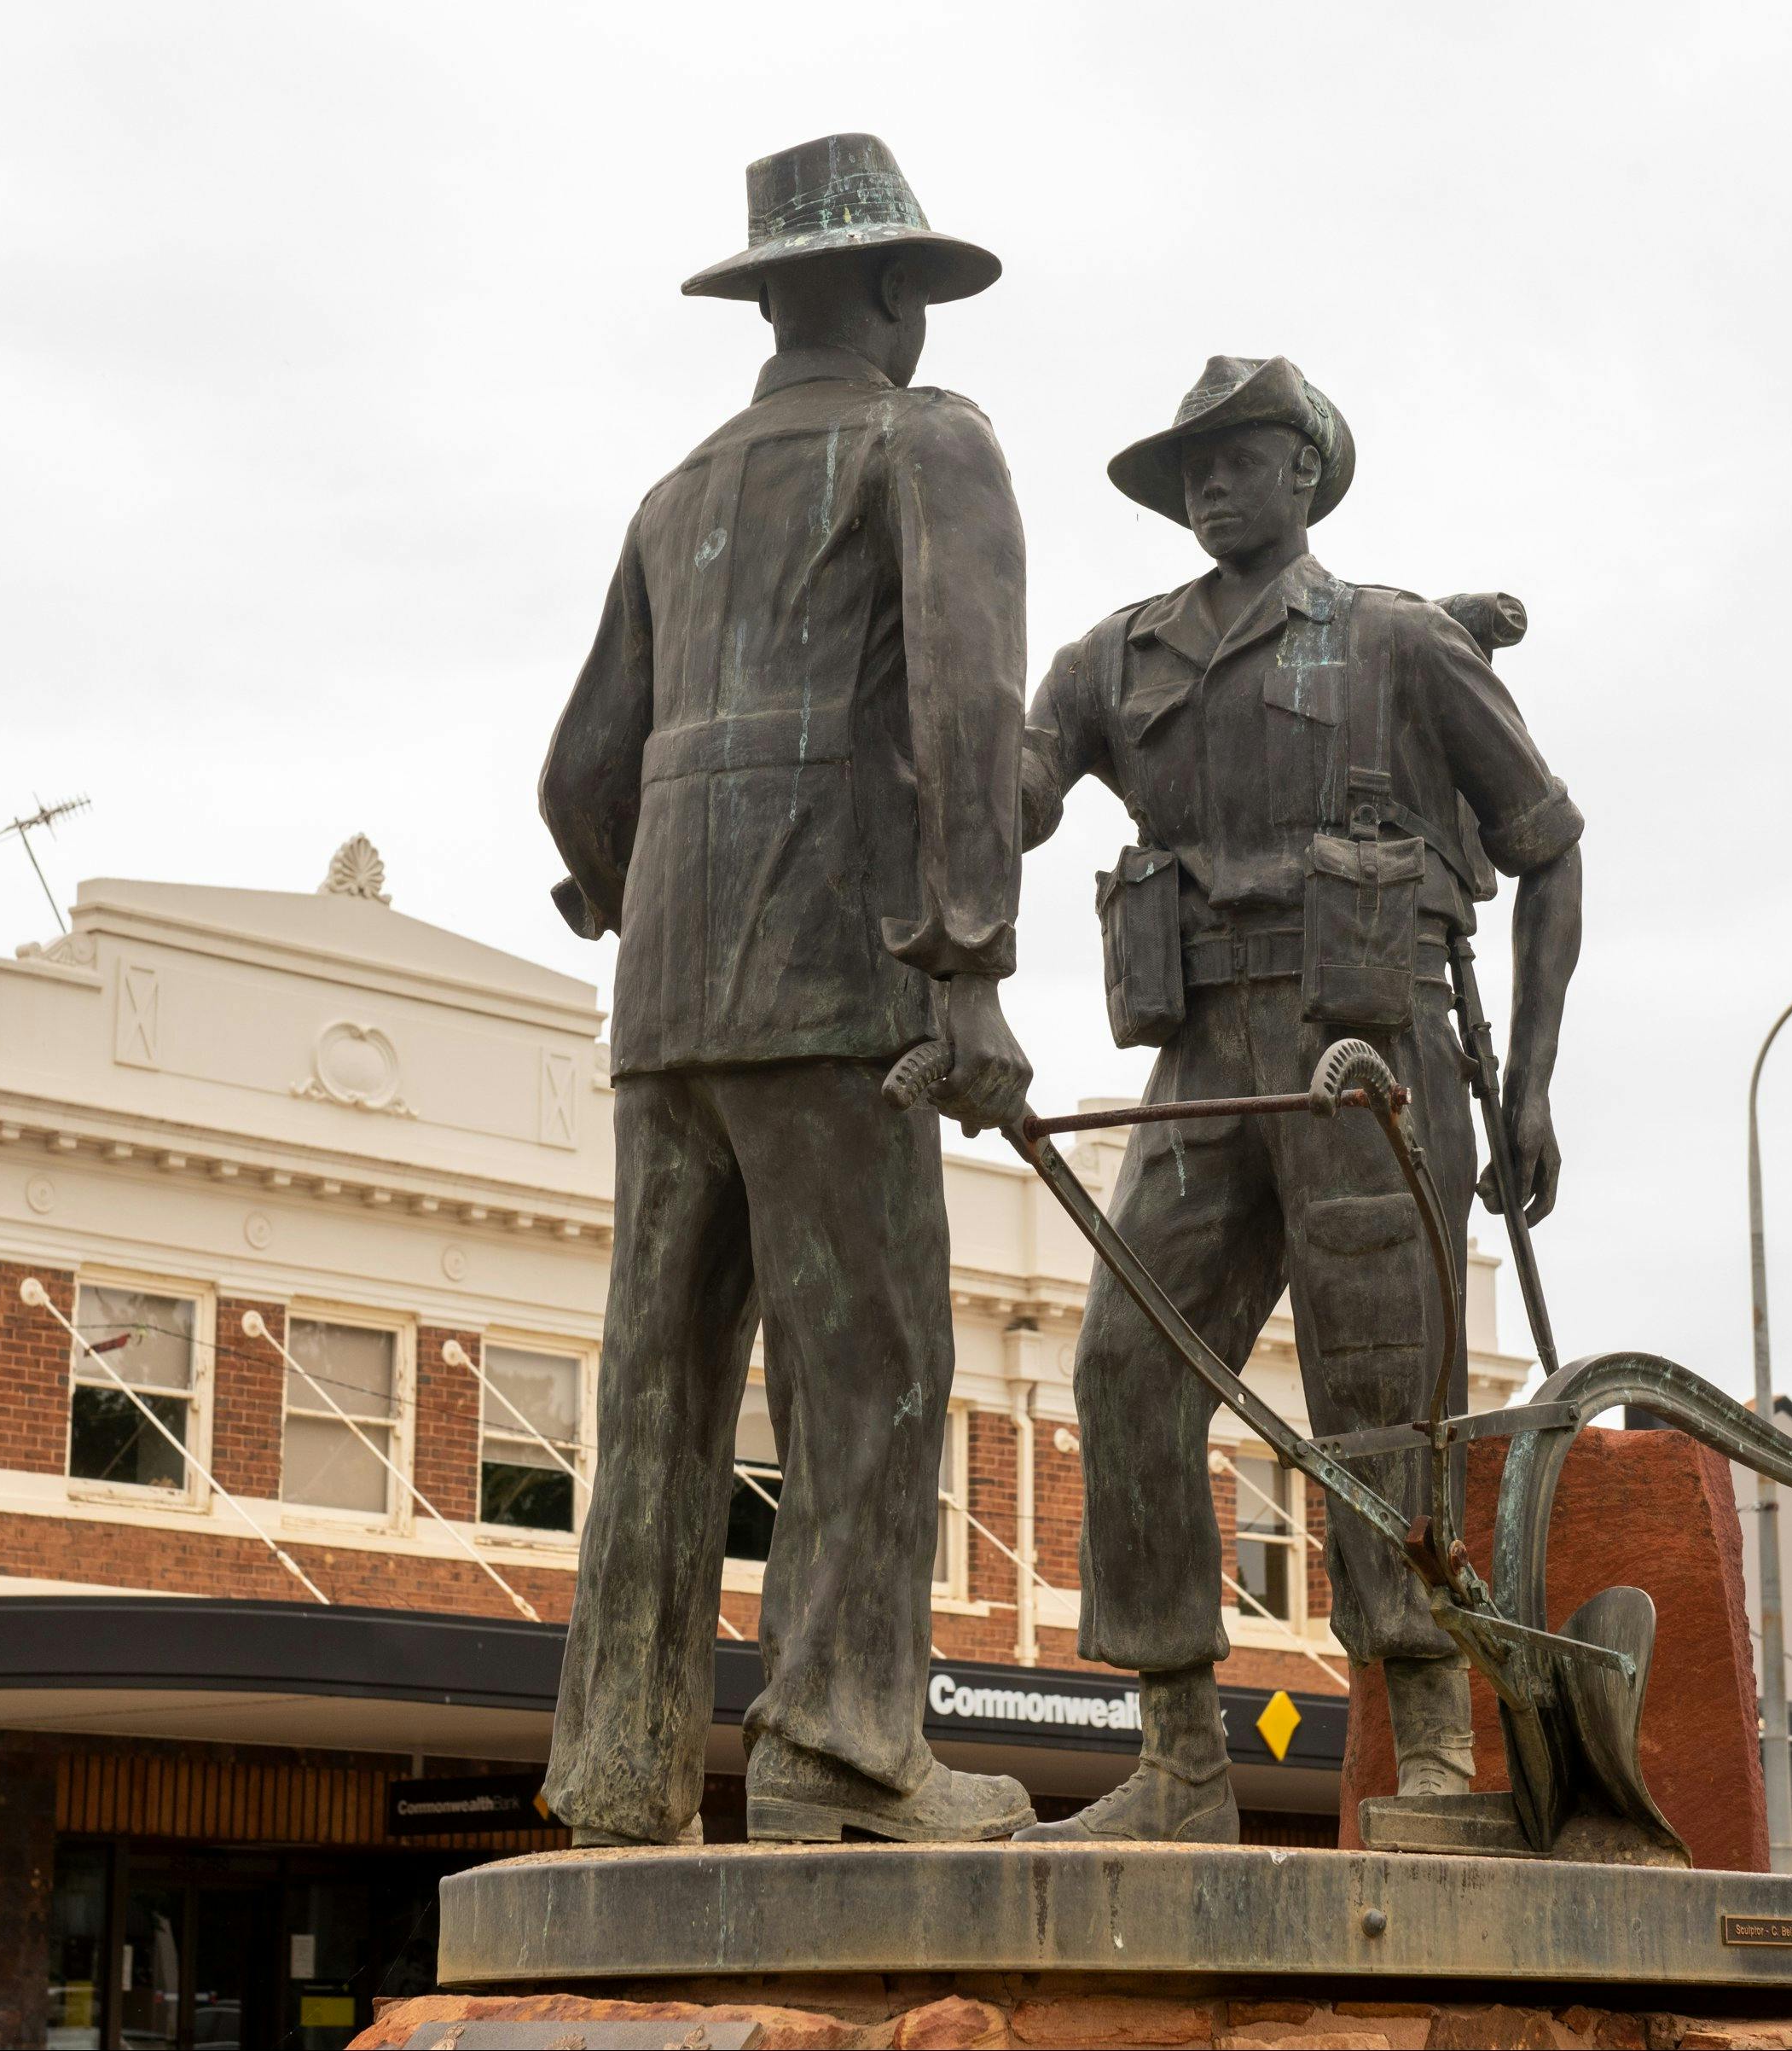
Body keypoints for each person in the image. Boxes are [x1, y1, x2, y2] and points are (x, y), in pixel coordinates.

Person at [536, 134, 1037, 1846]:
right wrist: (969, 960)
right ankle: (840, 1734)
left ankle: (615, 1768)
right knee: (871, 1368)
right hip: (838, 981)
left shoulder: (675, 494)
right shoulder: (931, 440)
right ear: (900, 295)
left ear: (771, 299)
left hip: (665, 1001)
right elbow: (972, 715)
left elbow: (577, 772)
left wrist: (628, 890)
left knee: (658, 1383)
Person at [1015, 357, 1585, 1843]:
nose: (1210, 484)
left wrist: (1528, 1083)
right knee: (1125, 1369)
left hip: (1368, 1056)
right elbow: (1006, 793)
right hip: (1201, 1064)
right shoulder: (1113, 662)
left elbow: (1549, 846)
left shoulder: (1397, 641)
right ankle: (1181, 1762)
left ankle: (1439, 1752)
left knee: (1384, 1395)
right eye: (1188, 465)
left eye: (1240, 457)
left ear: (1305, 476)